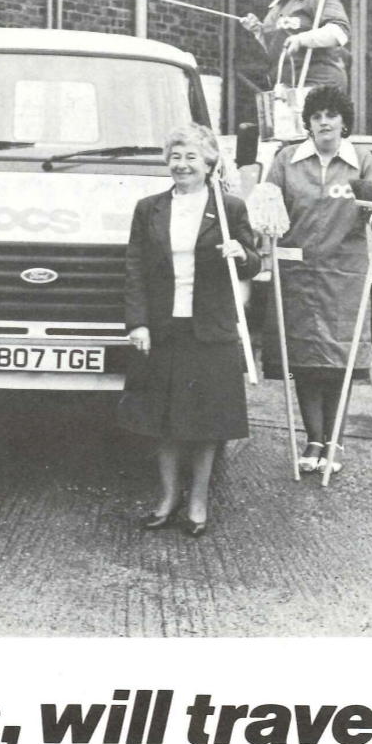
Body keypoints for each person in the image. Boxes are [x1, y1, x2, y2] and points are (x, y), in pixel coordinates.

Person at [118, 123, 260, 536]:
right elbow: (134, 270)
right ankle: (167, 498)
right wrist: (138, 322)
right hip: (164, 327)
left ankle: (198, 501)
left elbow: (254, 263)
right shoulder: (149, 208)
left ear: (209, 163)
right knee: (163, 420)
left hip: (210, 329)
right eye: (176, 157)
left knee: (206, 422)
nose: (182, 165)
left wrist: (241, 253)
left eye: (191, 157)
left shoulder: (229, 208)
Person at [261, 86, 372, 474]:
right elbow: (267, 205)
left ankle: (334, 440)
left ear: (343, 121)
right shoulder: (286, 159)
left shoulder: (360, 160)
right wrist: (264, 218)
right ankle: (313, 439)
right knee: (303, 360)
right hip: (297, 274)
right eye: (316, 116)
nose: (324, 122)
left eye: (331, 115)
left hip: (344, 275)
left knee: (340, 358)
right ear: (308, 123)